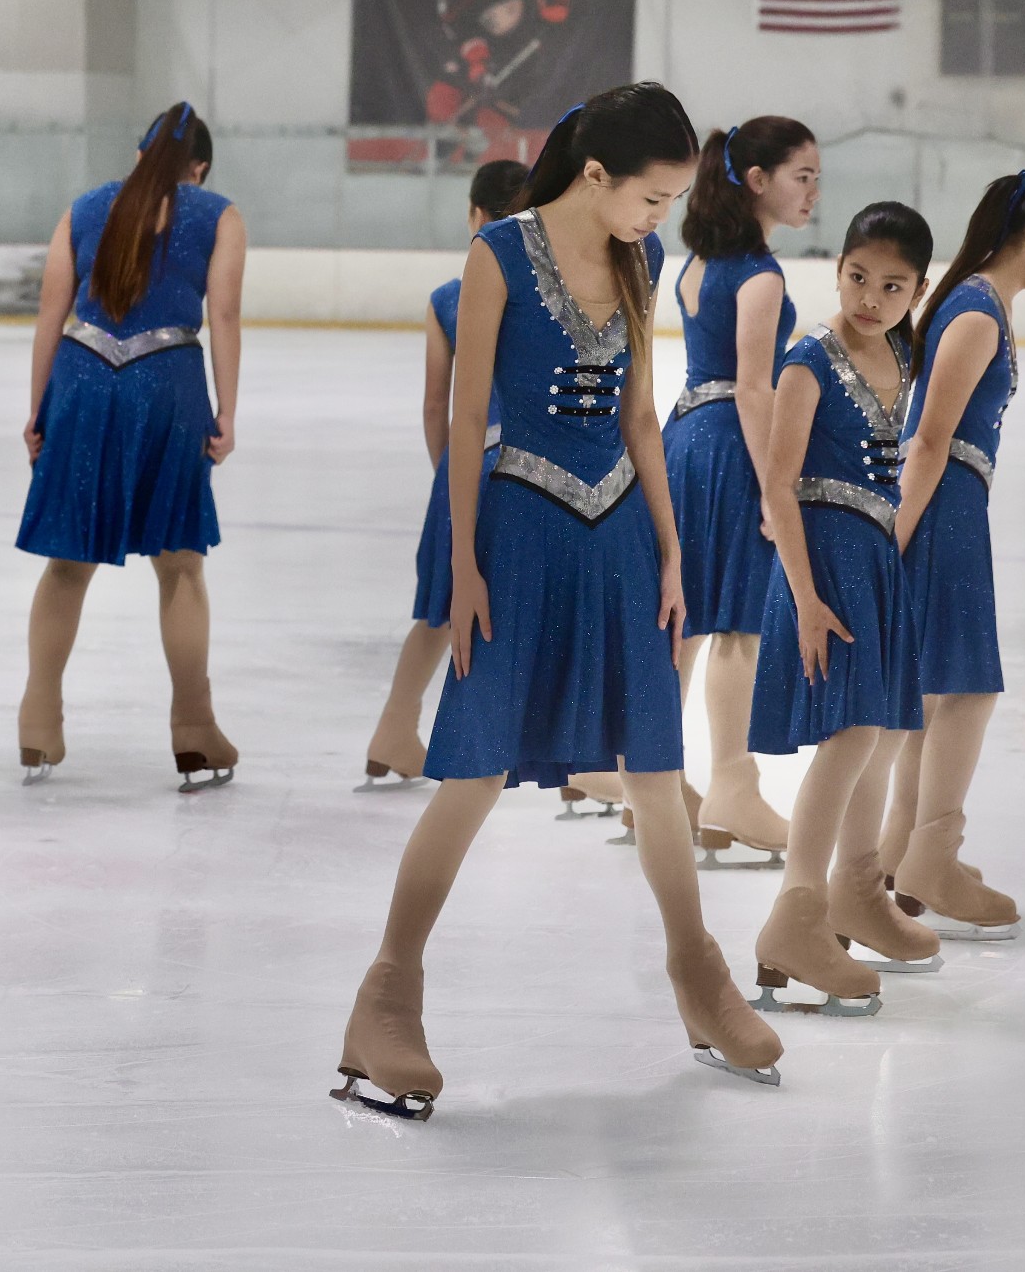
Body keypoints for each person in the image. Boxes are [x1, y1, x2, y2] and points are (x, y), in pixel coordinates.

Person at [332, 83, 783, 1119]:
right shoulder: (497, 255)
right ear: (595, 174)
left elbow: (639, 417)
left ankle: (699, 975)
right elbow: (466, 419)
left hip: (619, 530)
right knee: (476, 769)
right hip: (519, 532)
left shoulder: (639, 258)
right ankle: (386, 994)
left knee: (655, 767)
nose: (658, 217)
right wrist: (462, 561)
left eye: (670, 202)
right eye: (651, 197)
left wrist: (671, 550)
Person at [879, 170, 1025, 942]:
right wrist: (892, 541)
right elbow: (928, 441)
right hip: (943, 511)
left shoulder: (981, 302)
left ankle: (902, 853)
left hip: (952, 506)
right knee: (968, 688)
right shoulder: (978, 311)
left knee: (931, 692)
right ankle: (931, 857)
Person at [11, 102, 247, 791]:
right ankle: (194, 729)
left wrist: (39, 409)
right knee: (180, 567)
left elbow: (51, 312)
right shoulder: (219, 215)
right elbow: (224, 314)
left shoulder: (84, 208)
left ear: (141, 152)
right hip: (168, 384)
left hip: (82, 381)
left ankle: (38, 721)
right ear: (199, 168)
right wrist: (227, 412)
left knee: (67, 565)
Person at [745, 202, 944, 1014]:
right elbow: (776, 485)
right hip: (823, 559)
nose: (870, 297)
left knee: (885, 728)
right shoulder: (809, 360)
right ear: (838, 269)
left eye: (892, 286)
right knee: (853, 731)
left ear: (917, 291)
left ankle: (857, 891)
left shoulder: (901, 352)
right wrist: (804, 599)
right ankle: (796, 912)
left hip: (874, 557)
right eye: (858, 276)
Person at [657, 117, 819, 864]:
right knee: (738, 626)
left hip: (686, 441)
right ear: (757, 181)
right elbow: (755, 389)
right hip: (729, 449)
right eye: (802, 177)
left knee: (685, 620)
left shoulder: (699, 262)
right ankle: (732, 785)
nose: (812, 192)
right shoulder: (759, 273)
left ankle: (655, 779)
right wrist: (772, 486)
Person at [359, 157, 531, 788]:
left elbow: (438, 405)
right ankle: (571, 759)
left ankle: (395, 726)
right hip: (526, 471)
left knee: (441, 608)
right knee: (522, 610)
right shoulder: (542, 292)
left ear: (474, 216)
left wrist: (451, 477)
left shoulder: (448, 299)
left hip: (465, 467)